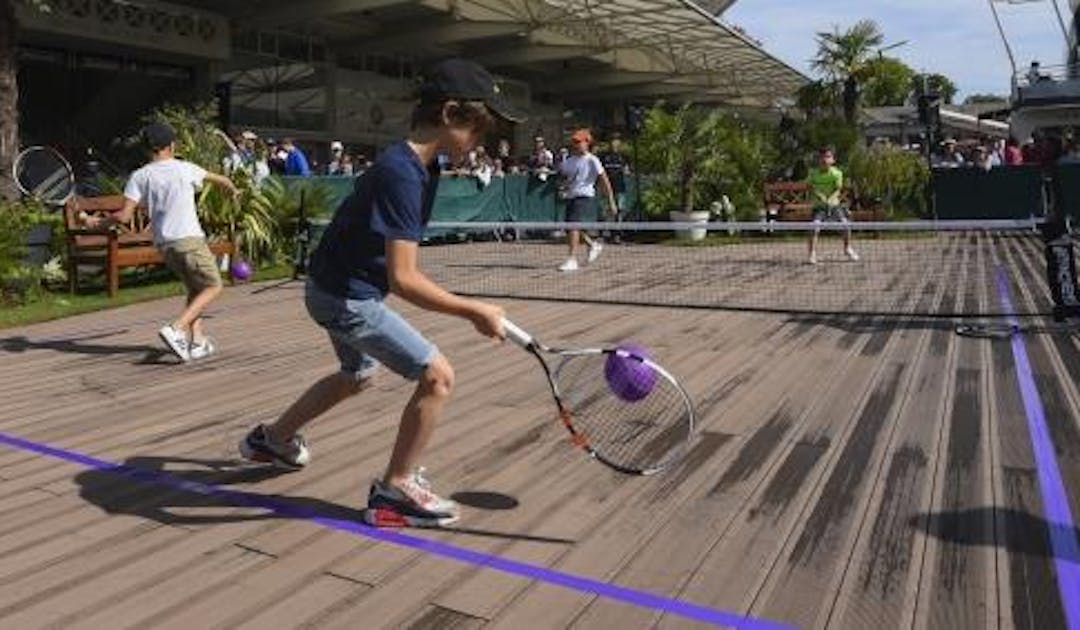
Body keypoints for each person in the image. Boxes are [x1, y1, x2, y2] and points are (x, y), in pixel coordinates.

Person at [237, 58, 524, 528]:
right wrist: (473, 310)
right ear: (451, 114)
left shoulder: (420, 169)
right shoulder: (403, 172)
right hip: (344, 297)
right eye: (479, 130)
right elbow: (404, 279)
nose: (482, 144)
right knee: (437, 376)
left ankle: (272, 439)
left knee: (357, 374)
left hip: (330, 287)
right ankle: (396, 490)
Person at [83, 122, 239, 361]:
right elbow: (220, 180)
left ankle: (196, 341)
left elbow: (124, 216)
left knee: (196, 288)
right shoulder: (185, 168)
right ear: (172, 145)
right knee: (214, 286)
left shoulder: (140, 176)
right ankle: (176, 328)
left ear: (147, 149)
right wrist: (233, 191)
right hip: (189, 240)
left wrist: (97, 223)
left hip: (165, 246)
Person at [556, 128, 619, 272]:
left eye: (579, 142)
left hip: (585, 196)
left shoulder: (593, 160)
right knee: (570, 228)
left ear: (587, 143)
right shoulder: (569, 161)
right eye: (575, 142)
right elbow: (562, 179)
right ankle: (592, 245)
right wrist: (562, 187)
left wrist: (611, 201)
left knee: (573, 225)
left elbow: (605, 181)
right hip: (571, 196)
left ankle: (572, 259)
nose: (576, 144)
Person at [806, 146, 858, 265]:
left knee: (846, 225)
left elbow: (838, 189)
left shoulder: (837, 173)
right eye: (822, 157)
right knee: (814, 227)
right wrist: (819, 195)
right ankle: (812, 254)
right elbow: (809, 187)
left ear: (833, 160)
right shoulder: (813, 173)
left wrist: (831, 198)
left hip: (835, 206)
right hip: (819, 207)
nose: (824, 159)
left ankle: (847, 249)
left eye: (828, 157)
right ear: (818, 160)